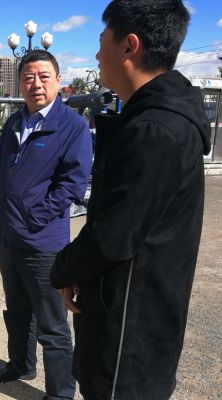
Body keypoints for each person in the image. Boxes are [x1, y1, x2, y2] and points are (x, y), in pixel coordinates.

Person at [49, 1, 211, 399]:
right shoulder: (154, 119)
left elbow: (114, 235)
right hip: (132, 320)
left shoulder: (154, 130)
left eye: (101, 40)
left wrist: (63, 269)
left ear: (129, 46)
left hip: (129, 334)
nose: (97, 54)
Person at [0, 49, 92, 400]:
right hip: (7, 238)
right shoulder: (14, 122)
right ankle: (20, 365)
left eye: (44, 77)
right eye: (28, 77)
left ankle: (60, 394)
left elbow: (72, 184)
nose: (36, 84)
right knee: (17, 311)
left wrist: (34, 217)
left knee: (52, 325)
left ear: (58, 81)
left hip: (43, 243)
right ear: (19, 83)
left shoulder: (72, 126)